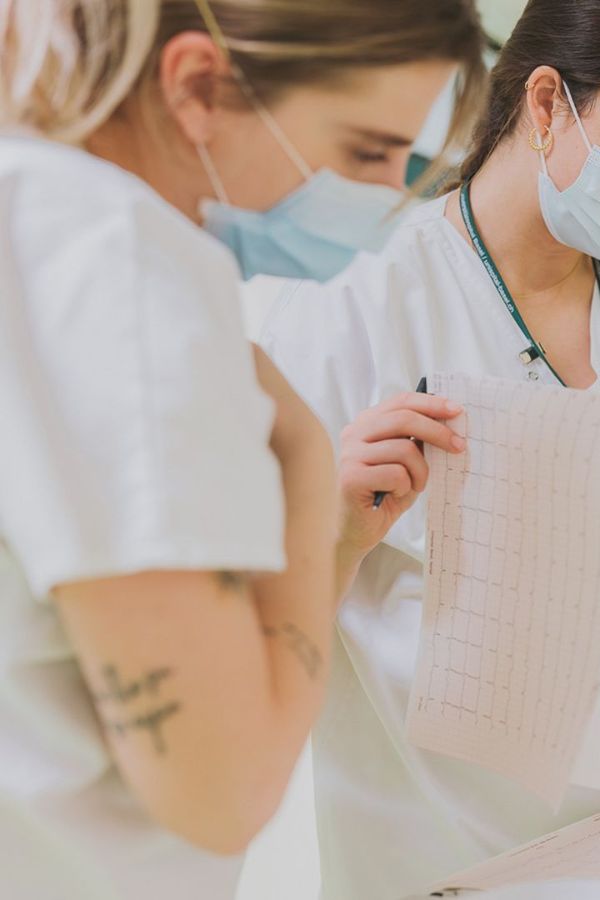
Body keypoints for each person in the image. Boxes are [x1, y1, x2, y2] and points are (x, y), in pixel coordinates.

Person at [259, 0, 600, 895]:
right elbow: (243, 615)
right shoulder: (355, 296)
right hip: (438, 864)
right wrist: (334, 523)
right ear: (547, 102)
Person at [0, 1, 484, 897]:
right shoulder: (121, 261)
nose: (386, 199)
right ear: (197, 88)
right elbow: (224, 790)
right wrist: (304, 465)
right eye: (368, 152)